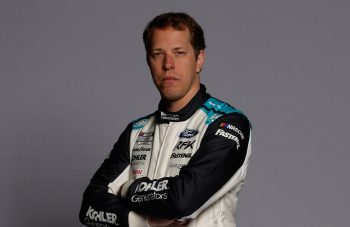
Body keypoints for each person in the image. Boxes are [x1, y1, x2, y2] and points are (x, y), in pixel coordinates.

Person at [79, 12, 252, 227]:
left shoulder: (228, 123)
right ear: (148, 61)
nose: (168, 64)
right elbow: (89, 206)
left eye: (179, 53)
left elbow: (183, 200)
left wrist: (129, 189)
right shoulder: (136, 131)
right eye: (158, 53)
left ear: (199, 59)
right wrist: (145, 222)